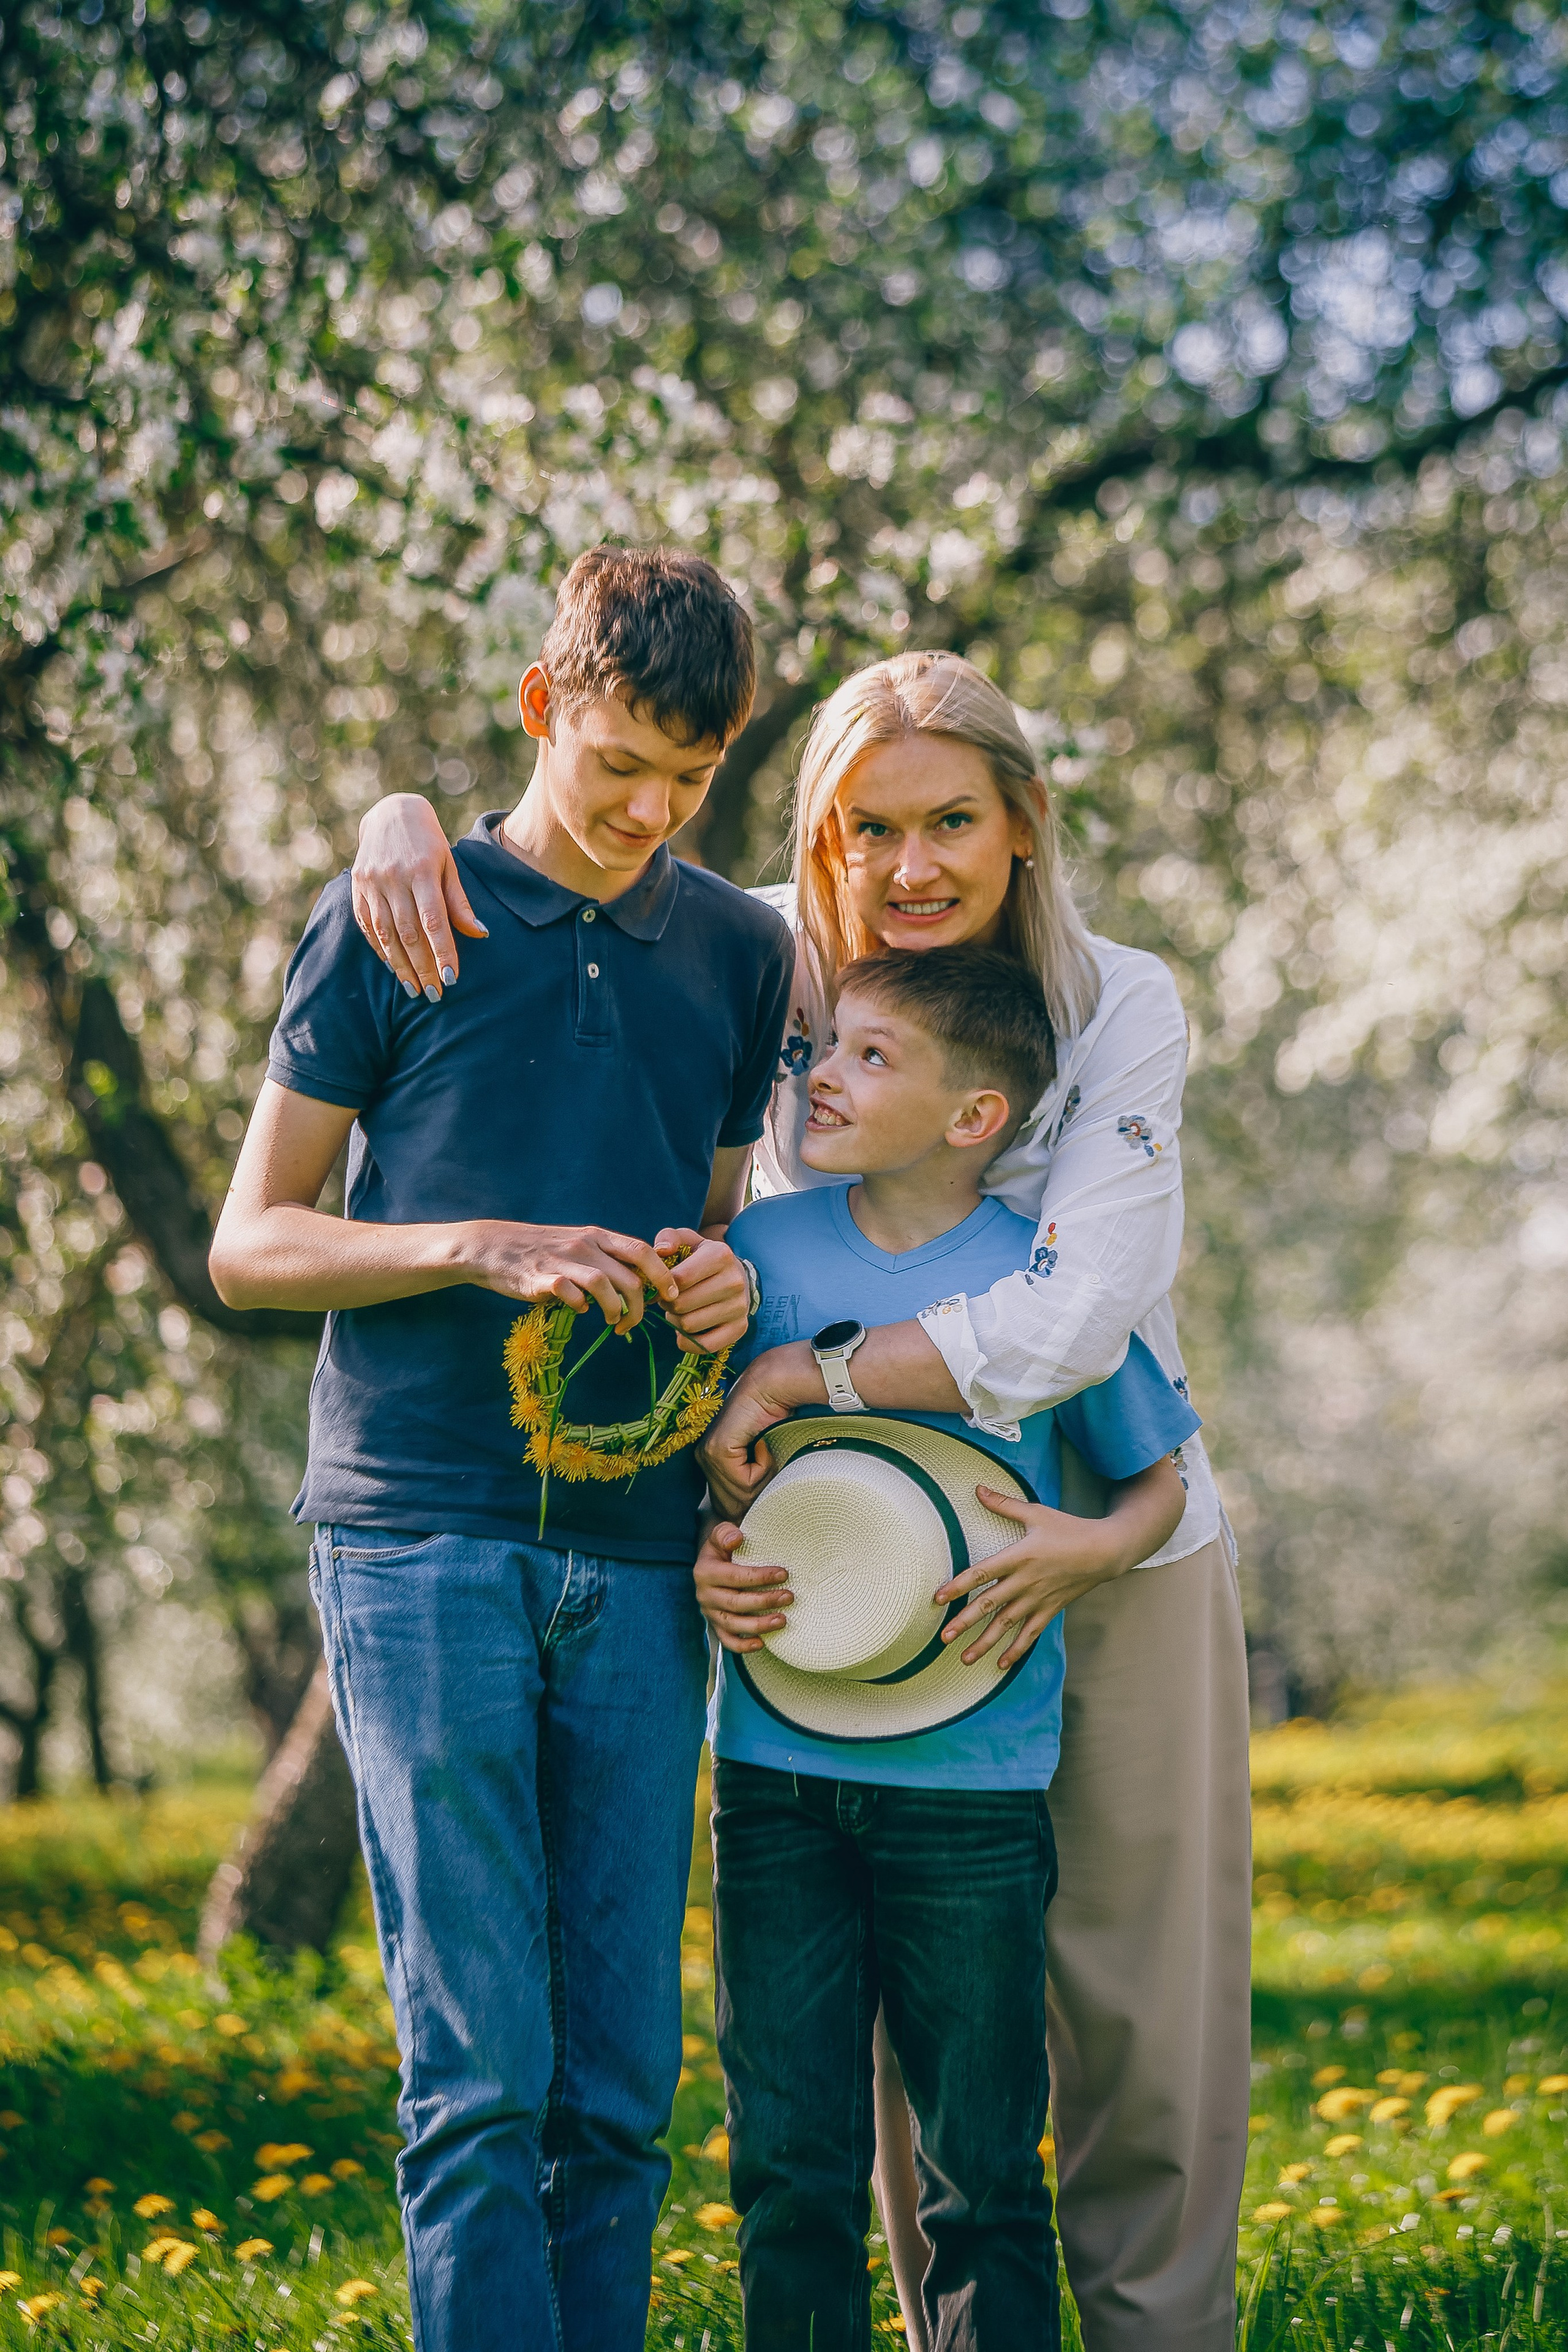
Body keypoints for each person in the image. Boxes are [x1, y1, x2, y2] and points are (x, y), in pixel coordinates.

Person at [350, 645, 1253, 2352]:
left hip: (1094, 1541)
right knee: (899, 2053)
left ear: (1023, 826)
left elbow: (1075, 1317)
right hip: (839, 1586)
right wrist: (406, 824)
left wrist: (812, 1386)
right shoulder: (770, 965)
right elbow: (578, 868)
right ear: (817, 834)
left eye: (952, 823)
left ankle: (1155, 2330)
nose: (907, 867)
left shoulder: (1116, 1000)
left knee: (1133, 2000)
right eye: (864, 827)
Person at [208, 545, 796, 2352]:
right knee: (478, 2085)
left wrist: (713, 1288)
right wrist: (470, 1242)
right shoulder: (400, 909)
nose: (648, 811)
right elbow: (256, 1240)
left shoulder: (739, 949)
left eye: (689, 782)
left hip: (632, 1558)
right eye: (620, 764)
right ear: (545, 708)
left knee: (617, 2089)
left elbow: (713, 1231)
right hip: (418, 1534)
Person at [698, 944, 1200, 2352]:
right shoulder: (763, 1257)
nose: (821, 1076)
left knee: (980, 2175)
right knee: (788, 2167)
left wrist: (1086, 1550)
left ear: (974, 1115)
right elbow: (708, 1462)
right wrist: (706, 1556)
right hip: (773, 1774)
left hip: (974, 1791)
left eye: (870, 1055)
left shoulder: (1036, 1286)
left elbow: (1151, 1472)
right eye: (822, 1047)